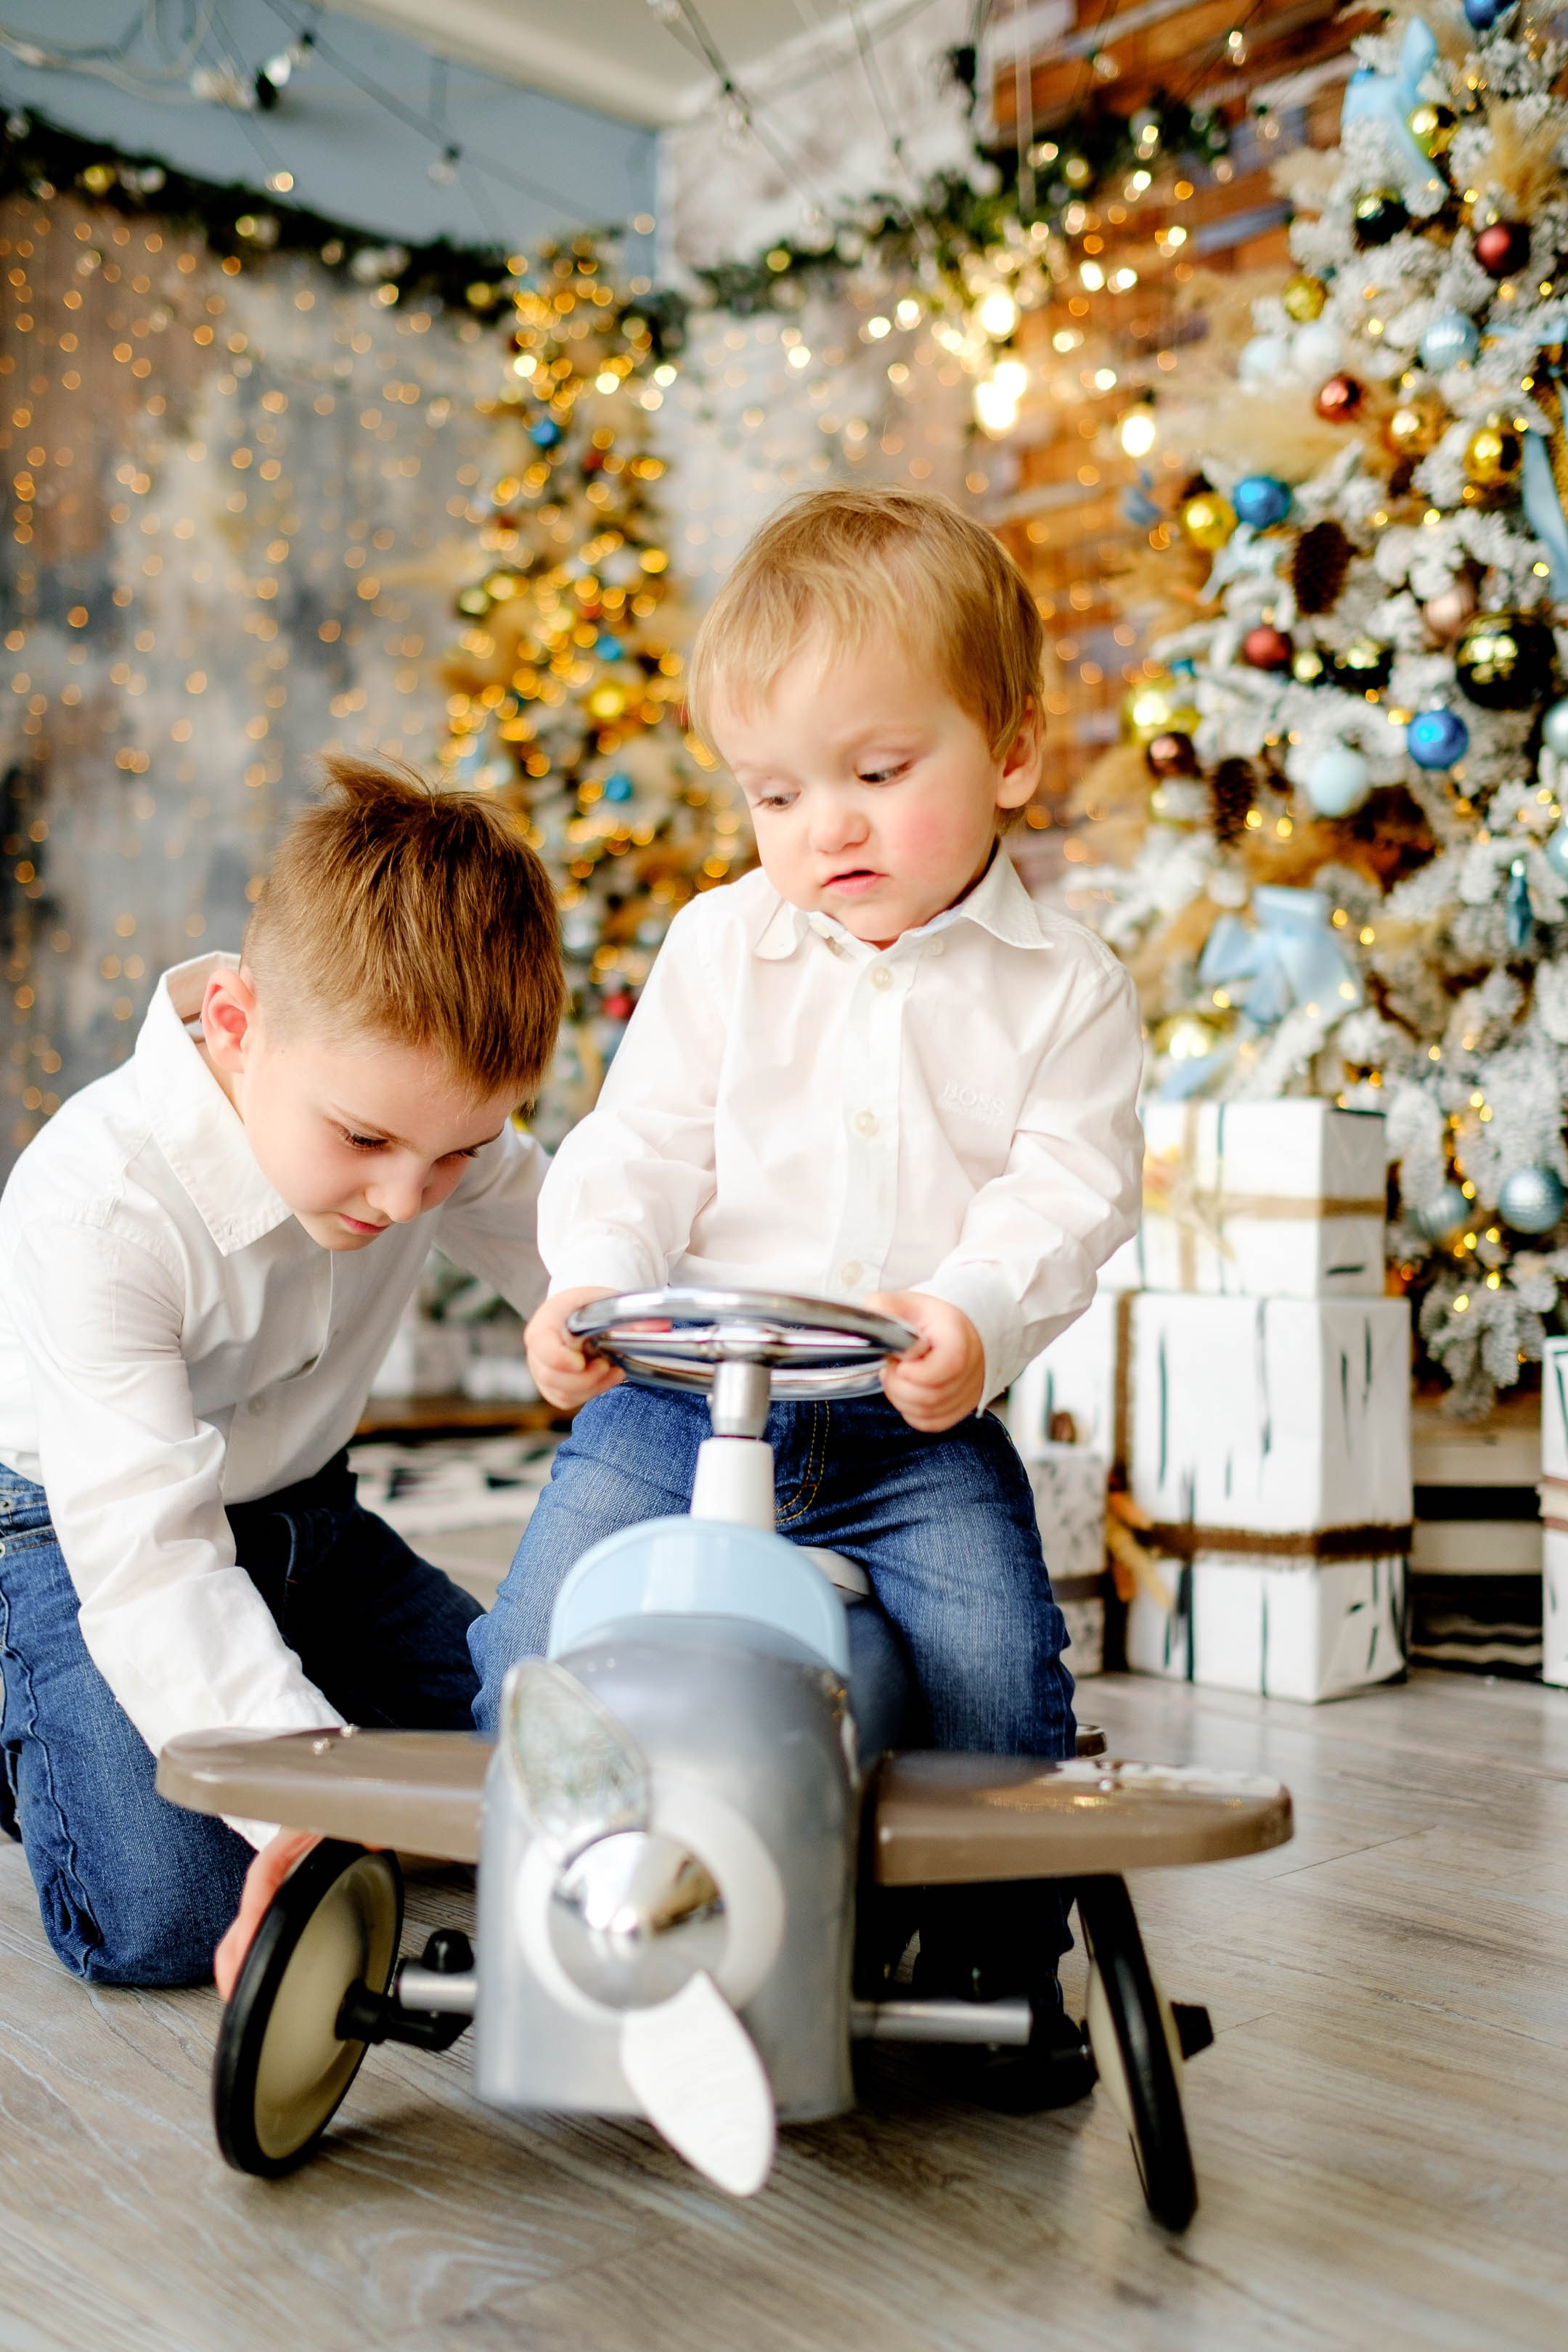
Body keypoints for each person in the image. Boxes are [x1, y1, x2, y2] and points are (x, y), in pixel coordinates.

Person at [475, 486, 1143, 1960]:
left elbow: (1070, 1189)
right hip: (674, 1407)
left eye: (878, 770)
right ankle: (543, 1888)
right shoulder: (725, 946)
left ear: (1013, 749)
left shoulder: (1068, 987)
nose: (823, 824)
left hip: (909, 1422)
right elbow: (643, 1143)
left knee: (992, 1658)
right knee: (537, 1634)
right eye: (774, 793)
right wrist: (591, 1282)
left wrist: (973, 1309)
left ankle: (996, 1951)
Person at [0, 757, 563, 1990]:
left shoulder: (415, 1114)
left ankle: (275, 1702)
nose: (405, 1197)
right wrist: (303, 1816)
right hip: (78, 1538)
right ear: (238, 1029)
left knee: (541, 1774)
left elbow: (576, 1255)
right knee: (170, 1914)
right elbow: (153, 1568)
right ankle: (27, 1716)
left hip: (313, 1524)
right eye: (363, 1140)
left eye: (459, 1151)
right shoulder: (98, 1209)